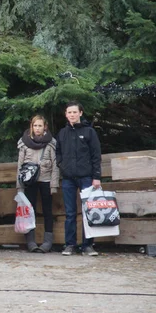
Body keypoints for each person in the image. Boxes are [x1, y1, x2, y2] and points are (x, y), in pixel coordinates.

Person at [56, 101, 101, 256]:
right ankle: (70, 245)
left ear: (80, 113)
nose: (72, 115)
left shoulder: (89, 132)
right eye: (69, 112)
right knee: (70, 213)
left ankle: (87, 245)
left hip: (86, 177)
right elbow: (58, 152)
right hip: (68, 178)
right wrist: (61, 164)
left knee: (87, 211)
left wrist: (96, 177)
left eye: (75, 112)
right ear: (66, 115)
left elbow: (96, 156)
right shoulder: (62, 133)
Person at [16, 115, 59, 253]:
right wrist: (19, 186)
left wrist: (54, 184)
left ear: (45, 127)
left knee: (47, 211)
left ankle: (47, 241)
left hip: (46, 180)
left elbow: (55, 165)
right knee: (29, 211)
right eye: (35, 126)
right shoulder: (24, 143)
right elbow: (19, 165)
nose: (37, 128)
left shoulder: (51, 143)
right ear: (31, 127)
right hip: (29, 181)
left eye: (40, 126)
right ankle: (30, 241)